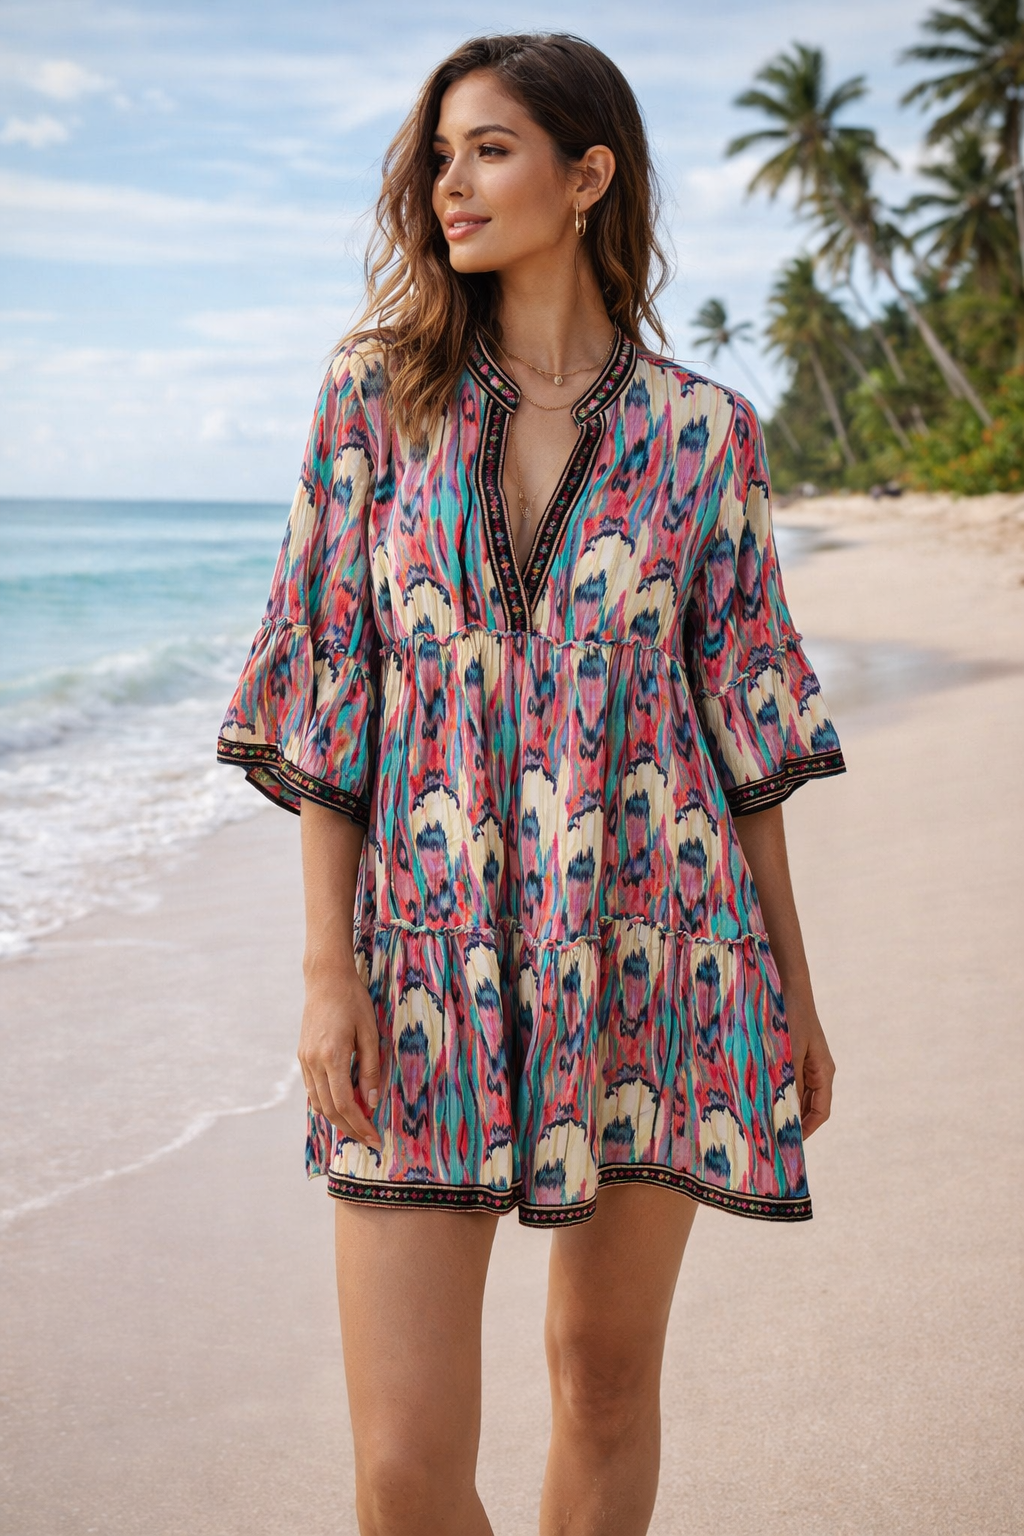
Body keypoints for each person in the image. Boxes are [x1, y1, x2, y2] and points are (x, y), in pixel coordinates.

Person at [217, 31, 845, 1536]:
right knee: (404, 1468)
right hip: (419, 960)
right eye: (439, 156)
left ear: (587, 175)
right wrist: (326, 971)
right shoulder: (375, 397)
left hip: (659, 955)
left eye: (489, 150)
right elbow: (332, 695)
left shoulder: (705, 434)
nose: (451, 184)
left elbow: (745, 739)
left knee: (604, 1384)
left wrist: (794, 992)